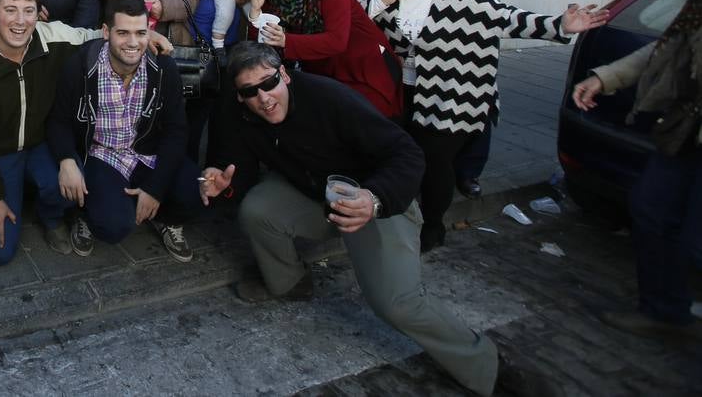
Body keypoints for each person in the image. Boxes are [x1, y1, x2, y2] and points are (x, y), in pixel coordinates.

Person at [203, 43, 558, 397]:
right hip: (316, 195)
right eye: (250, 91)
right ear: (238, 96)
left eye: (268, 84)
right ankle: (290, 283)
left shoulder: (330, 98)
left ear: (284, 75)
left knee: (397, 303)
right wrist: (222, 182)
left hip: (376, 198)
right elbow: (234, 166)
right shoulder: (237, 114)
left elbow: (407, 154)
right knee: (257, 209)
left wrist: (373, 200)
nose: (264, 98)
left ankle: (489, 367)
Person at [360, 0, 606, 250]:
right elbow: (350, 21)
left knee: (435, 163)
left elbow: (506, 18)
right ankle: (398, 218)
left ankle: (433, 226)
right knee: (401, 157)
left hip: (454, 93)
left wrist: (558, 25)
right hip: (400, 93)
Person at [570, 0, 701, 342]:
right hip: (685, 127)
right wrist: (606, 76)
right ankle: (666, 311)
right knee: (651, 209)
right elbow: (671, 44)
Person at [0, 0, 106, 265]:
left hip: (41, 143)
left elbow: (96, 36)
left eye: (29, 10)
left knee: (75, 185)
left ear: (39, 14)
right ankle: (2, 196)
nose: (20, 21)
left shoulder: (52, 37)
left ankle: (50, 216)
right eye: (10, 9)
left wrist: (148, 37)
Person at [411, 0, 535, 199]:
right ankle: (434, 166)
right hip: (432, 30)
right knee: (431, 98)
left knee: (478, 101)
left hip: (479, 30)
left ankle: (468, 172)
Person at [49, 0, 201, 262]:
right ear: (106, 32)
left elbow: (177, 129)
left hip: (146, 151)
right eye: (123, 33)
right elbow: (58, 120)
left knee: (194, 190)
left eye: (141, 33)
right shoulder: (81, 66)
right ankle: (87, 214)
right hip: (102, 155)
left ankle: (162, 217)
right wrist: (66, 159)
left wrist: (155, 187)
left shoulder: (163, 66)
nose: (133, 42)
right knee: (112, 226)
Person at [246, 0, 402, 118]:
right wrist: (255, 13)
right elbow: (261, 54)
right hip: (325, 79)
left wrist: (286, 40)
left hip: (364, 73)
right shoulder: (268, 0)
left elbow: (337, 41)